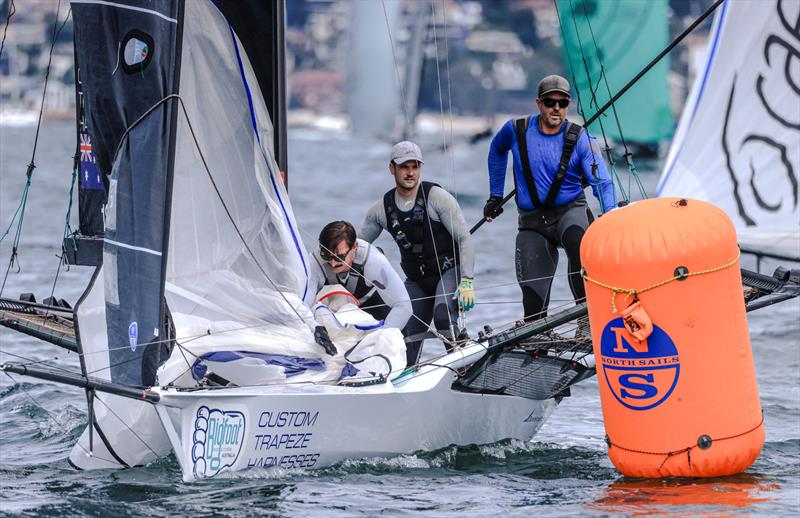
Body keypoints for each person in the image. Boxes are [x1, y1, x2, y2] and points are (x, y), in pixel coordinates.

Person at [484, 74, 616, 321]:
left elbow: (603, 182)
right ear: (538, 103)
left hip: (570, 212)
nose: (556, 107)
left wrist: (609, 217)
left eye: (562, 103)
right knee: (533, 307)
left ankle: (587, 324)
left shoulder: (580, 138)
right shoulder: (515, 130)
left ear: (568, 105)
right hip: (532, 222)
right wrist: (495, 196)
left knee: (580, 247)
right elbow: (496, 150)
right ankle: (537, 342)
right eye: (550, 102)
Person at [361, 141, 476, 366]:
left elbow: (464, 238)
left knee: (443, 316)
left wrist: (468, 281)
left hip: (450, 273)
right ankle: (405, 376)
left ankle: (466, 367)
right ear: (392, 168)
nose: (410, 172)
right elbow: (357, 248)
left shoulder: (438, 198)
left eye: (415, 166)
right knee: (403, 329)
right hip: (417, 281)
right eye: (404, 167)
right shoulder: (380, 210)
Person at [309, 220, 412, 331]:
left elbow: (404, 306)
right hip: (333, 312)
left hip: (372, 308)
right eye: (326, 256)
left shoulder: (374, 260)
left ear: (354, 247)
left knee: (399, 331)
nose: (333, 263)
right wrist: (314, 329)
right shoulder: (314, 261)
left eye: (339, 257)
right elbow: (302, 303)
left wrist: (382, 338)